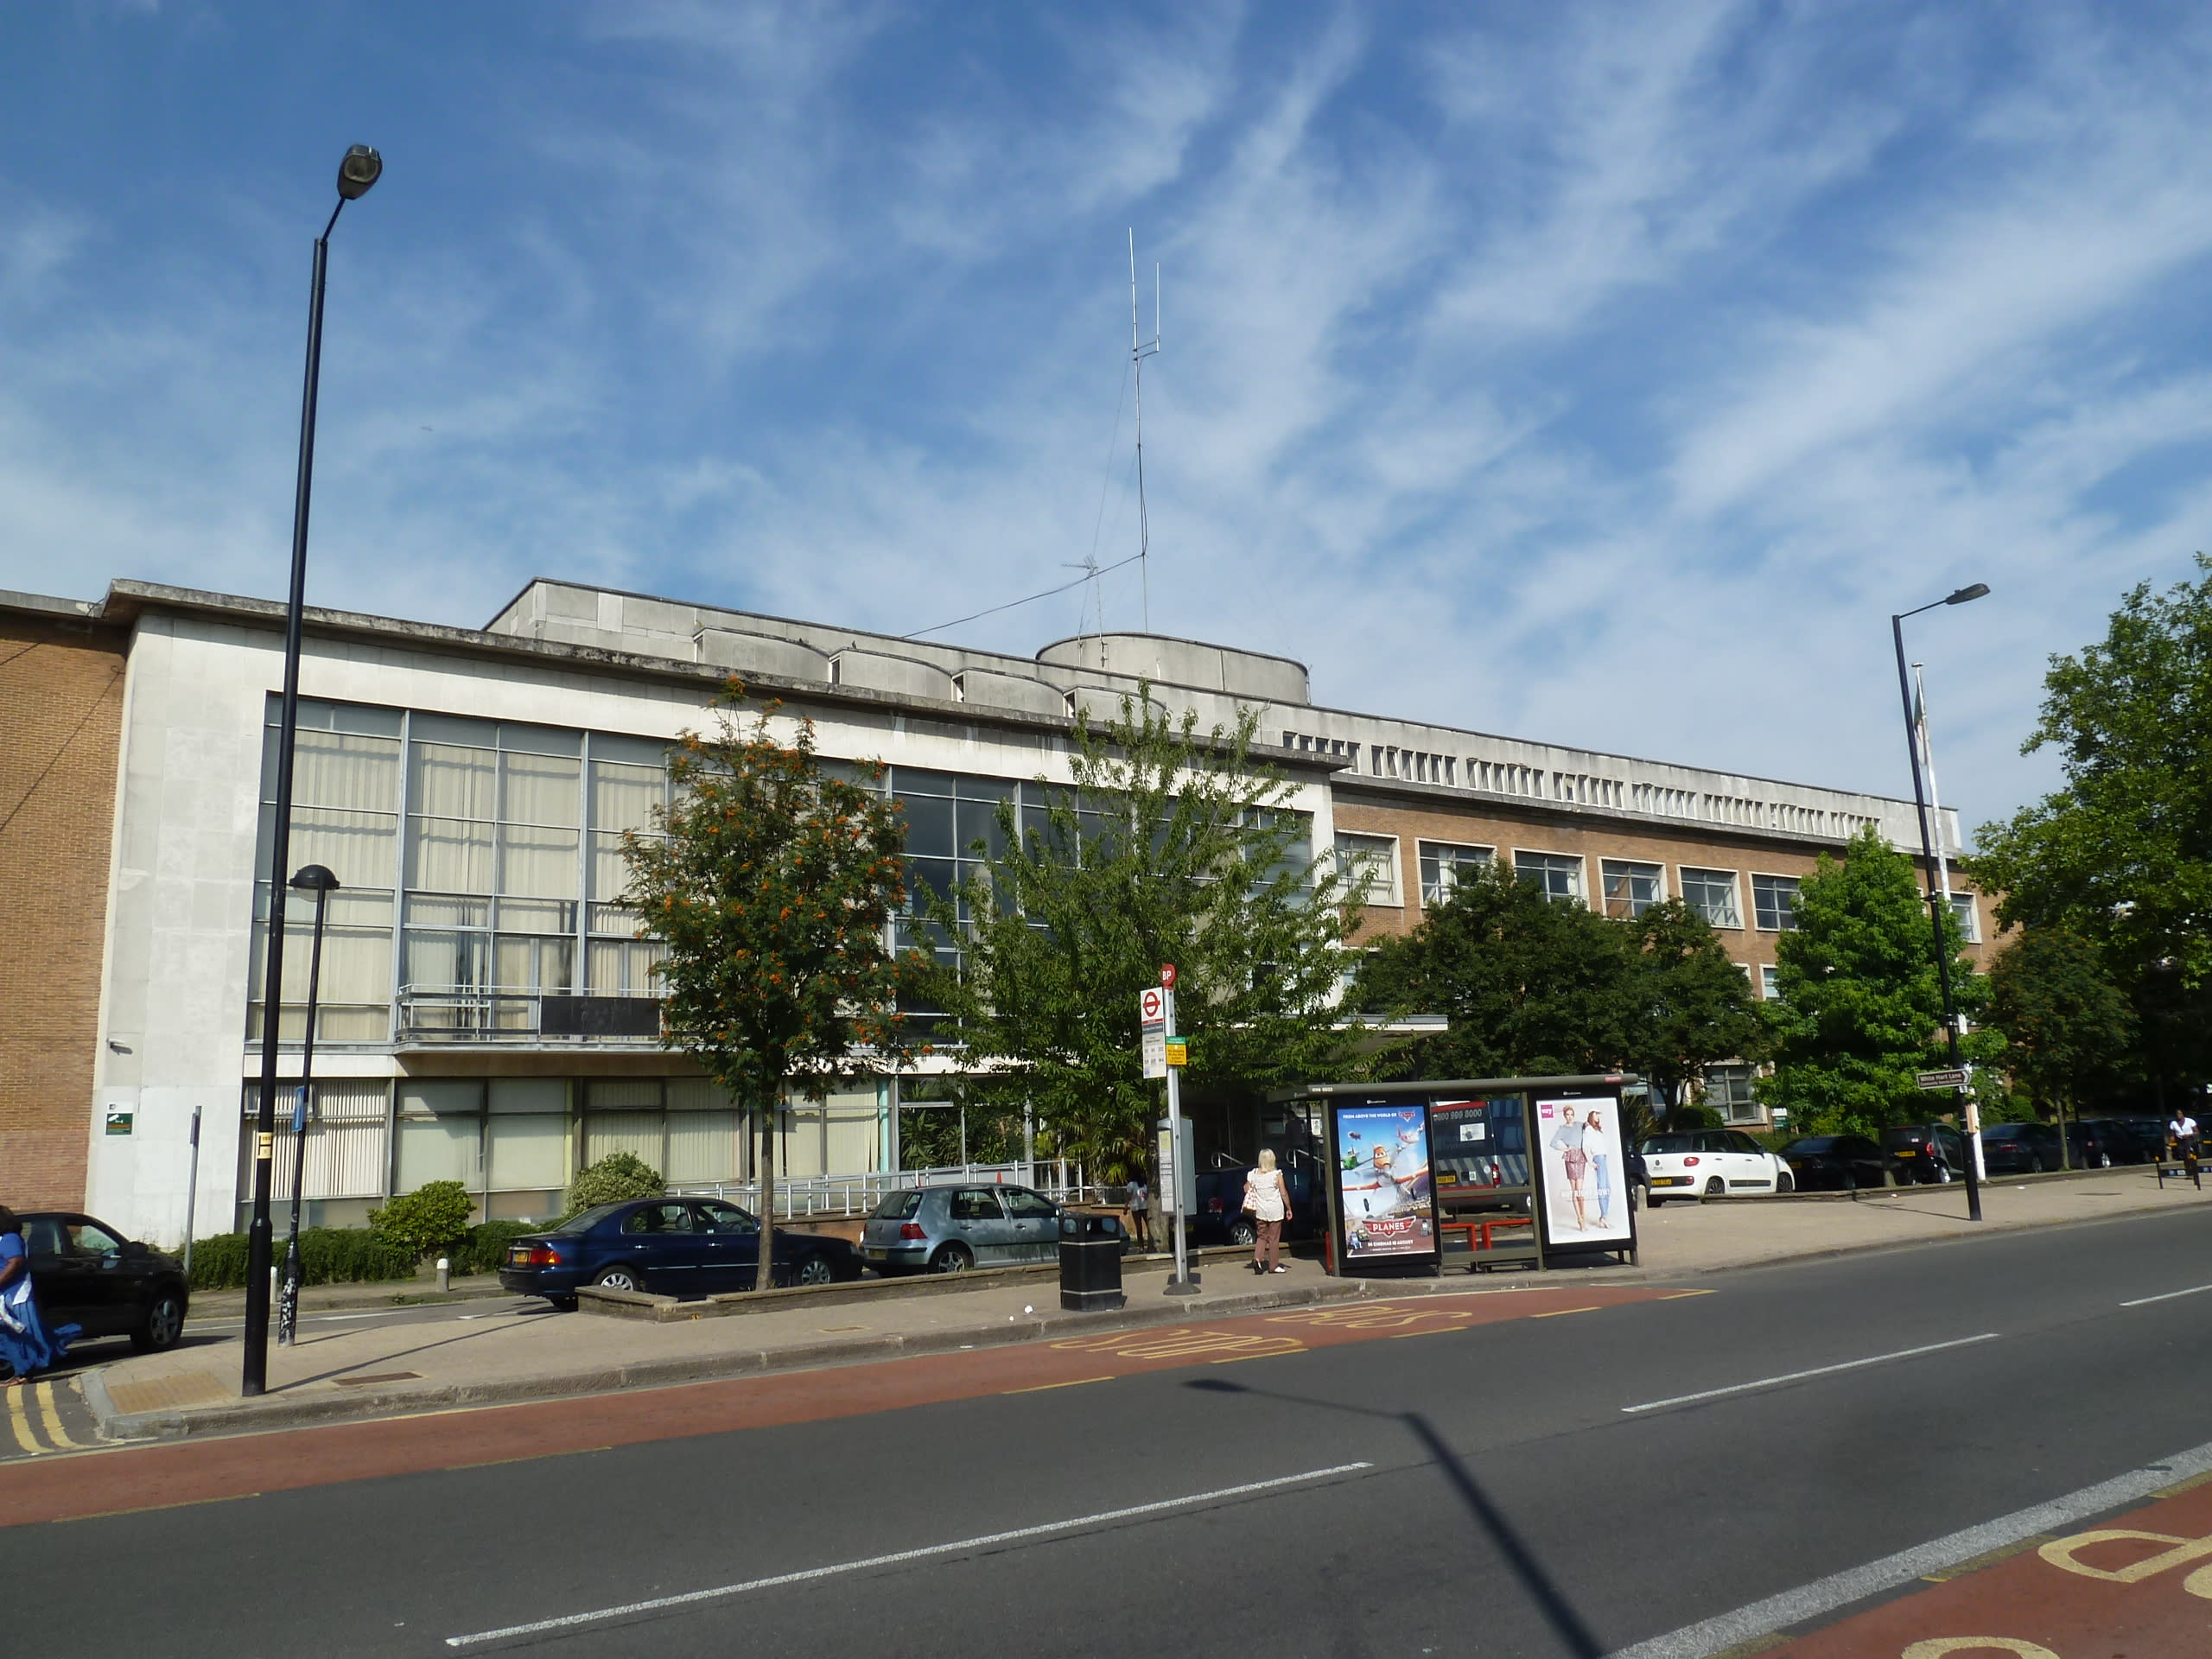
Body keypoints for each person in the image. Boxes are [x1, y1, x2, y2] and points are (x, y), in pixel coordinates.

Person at [0, 1208, 78, 1386]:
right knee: (11, 1336)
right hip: (7, 1296)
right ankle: (22, 1371)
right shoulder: (4, 1239)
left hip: (18, 1296)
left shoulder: (10, 1238)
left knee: (25, 1335)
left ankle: (26, 1372)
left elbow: (16, 1262)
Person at [1243, 1149, 1292, 1274]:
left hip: (1260, 1211)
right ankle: (1273, 1266)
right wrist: (1289, 1208)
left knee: (1261, 1236)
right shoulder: (1276, 1175)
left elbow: (1245, 1188)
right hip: (1275, 1210)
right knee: (1274, 1238)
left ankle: (1257, 1259)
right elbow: (1283, 1193)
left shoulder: (1253, 1174)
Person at [1548, 1106, 1591, 1230]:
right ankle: (1580, 1219)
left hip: (1581, 1156)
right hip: (1570, 1158)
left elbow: (1591, 1126)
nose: (1570, 1116)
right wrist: (1565, 1149)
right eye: (1567, 1114)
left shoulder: (1580, 1125)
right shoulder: (1562, 1129)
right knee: (1574, 1190)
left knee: (1580, 1191)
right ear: (1564, 1115)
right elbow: (1553, 1143)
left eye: (1572, 1114)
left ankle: (1583, 1216)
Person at [2171, 1109, 2201, 1188]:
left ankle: (2194, 1172)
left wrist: (2189, 1135)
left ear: (2183, 1114)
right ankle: (2188, 1172)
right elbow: (2173, 1134)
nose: (2178, 1115)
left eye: (2180, 1113)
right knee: (2184, 1157)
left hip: (2189, 1139)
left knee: (2189, 1155)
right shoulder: (2173, 1123)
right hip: (2180, 1140)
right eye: (2177, 1114)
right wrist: (2171, 1141)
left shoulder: (2190, 1121)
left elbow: (2197, 1131)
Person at [1125, 1174, 1153, 1251]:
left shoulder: (1131, 1185)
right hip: (1144, 1207)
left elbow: (1128, 1196)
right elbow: (1146, 1196)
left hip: (1135, 1207)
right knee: (1148, 1226)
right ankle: (1148, 1244)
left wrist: (1126, 1207)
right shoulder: (1144, 1185)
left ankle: (1141, 1246)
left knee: (1139, 1227)